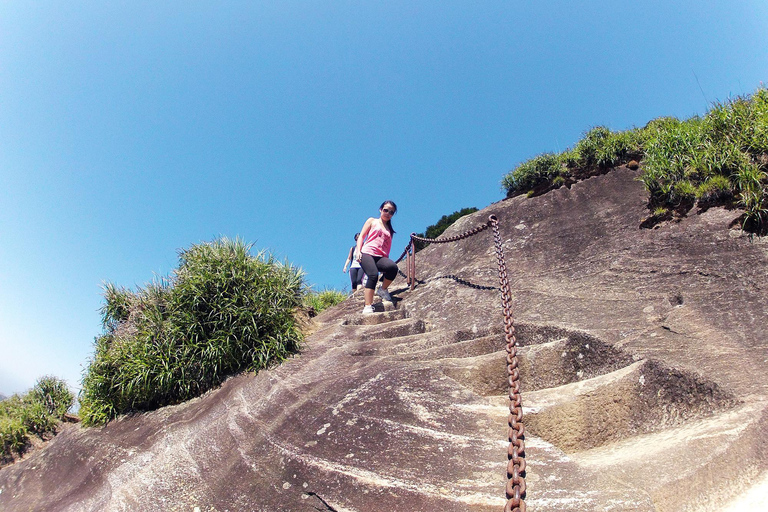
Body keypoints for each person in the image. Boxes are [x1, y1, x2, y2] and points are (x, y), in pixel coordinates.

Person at [355, 200, 399, 314]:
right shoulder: (372, 221)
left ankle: (383, 290)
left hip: (380, 257)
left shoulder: (390, 230)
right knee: (373, 275)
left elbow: (387, 247)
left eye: (391, 212)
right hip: (367, 253)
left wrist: (386, 263)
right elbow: (361, 236)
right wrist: (358, 251)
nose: (388, 213)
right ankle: (368, 306)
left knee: (393, 268)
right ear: (380, 210)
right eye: (386, 210)